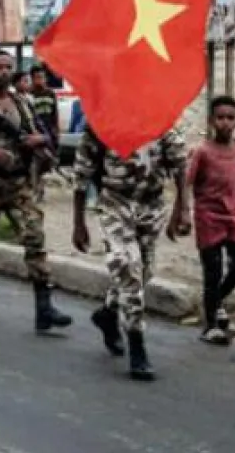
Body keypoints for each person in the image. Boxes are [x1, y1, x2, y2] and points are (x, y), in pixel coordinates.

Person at [0, 49, 68, 330]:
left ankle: (44, 307)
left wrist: (37, 139)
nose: (4, 72)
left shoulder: (22, 103)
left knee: (35, 239)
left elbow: (49, 135)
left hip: (20, 184)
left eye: (9, 67)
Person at [72, 124, 187, 380]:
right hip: (115, 203)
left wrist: (183, 208)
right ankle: (137, 344)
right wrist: (78, 223)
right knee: (127, 268)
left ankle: (108, 313)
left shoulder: (161, 119)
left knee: (144, 272)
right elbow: (81, 174)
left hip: (151, 205)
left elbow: (180, 165)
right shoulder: (102, 121)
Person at [176, 95, 235, 345]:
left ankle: (216, 301)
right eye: (220, 118)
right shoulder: (202, 151)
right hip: (208, 217)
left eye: (230, 118)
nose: (225, 123)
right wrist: (182, 213)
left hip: (233, 216)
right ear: (211, 121)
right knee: (212, 271)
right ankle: (210, 325)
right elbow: (186, 184)